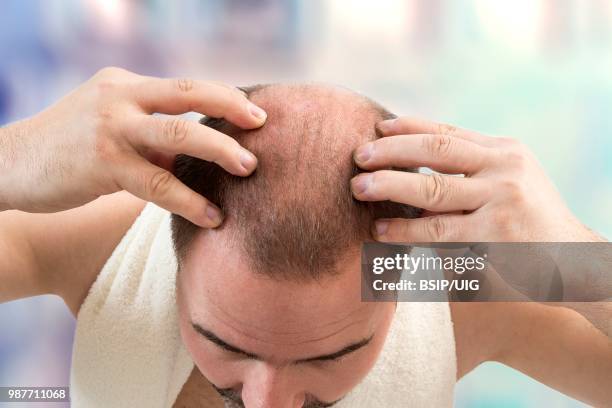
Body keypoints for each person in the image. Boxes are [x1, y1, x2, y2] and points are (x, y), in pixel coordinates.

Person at [0, 68, 610, 407]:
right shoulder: (108, 241)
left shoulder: (448, 291)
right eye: (225, 345)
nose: (268, 404)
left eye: (327, 357)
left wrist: (577, 258)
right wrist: (11, 155)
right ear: (174, 252)